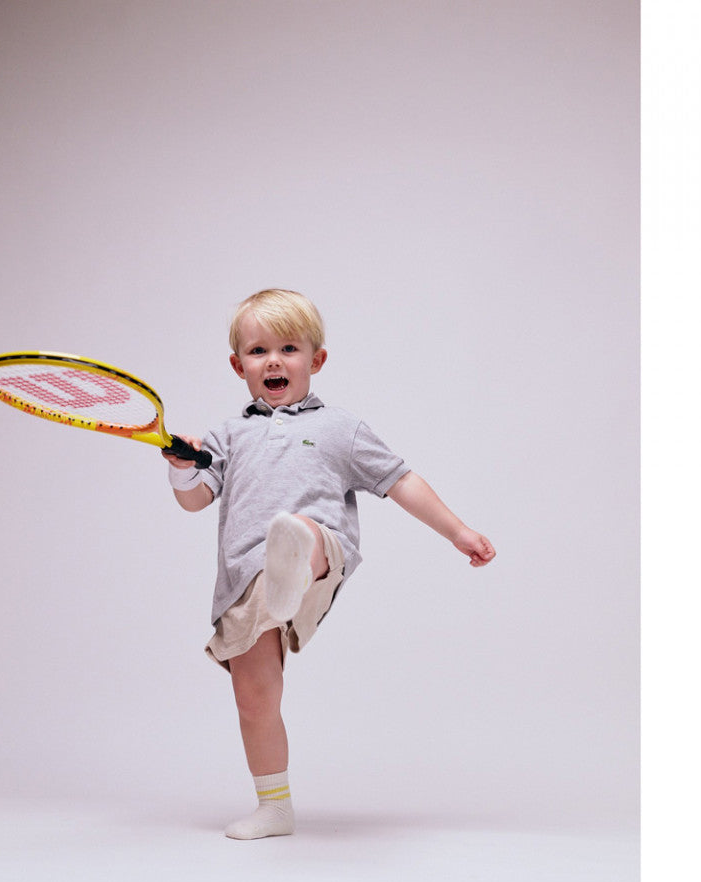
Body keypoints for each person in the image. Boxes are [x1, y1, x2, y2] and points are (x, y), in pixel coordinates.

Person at [162, 289, 496, 840]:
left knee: (303, 530)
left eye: (289, 349)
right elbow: (195, 500)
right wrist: (182, 469)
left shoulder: (341, 429)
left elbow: (401, 481)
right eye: (258, 351)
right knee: (255, 700)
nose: (274, 361)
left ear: (316, 360)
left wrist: (458, 532)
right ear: (238, 366)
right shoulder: (226, 437)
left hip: (322, 558)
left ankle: (296, 557)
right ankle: (274, 807)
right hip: (246, 582)